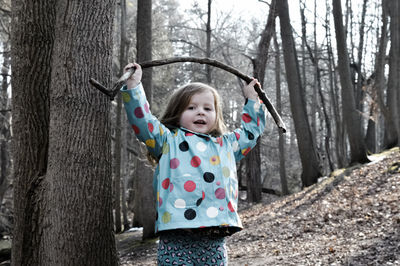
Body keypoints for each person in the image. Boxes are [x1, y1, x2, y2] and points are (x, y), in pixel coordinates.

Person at [121, 63, 266, 265]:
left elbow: (251, 132)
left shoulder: (226, 145)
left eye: (208, 108)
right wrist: (134, 86)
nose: (201, 112)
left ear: (216, 116)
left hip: (214, 238)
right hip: (176, 238)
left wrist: (252, 99)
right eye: (191, 107)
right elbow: (143, 123)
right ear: (178, 113)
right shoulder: (168, 141)